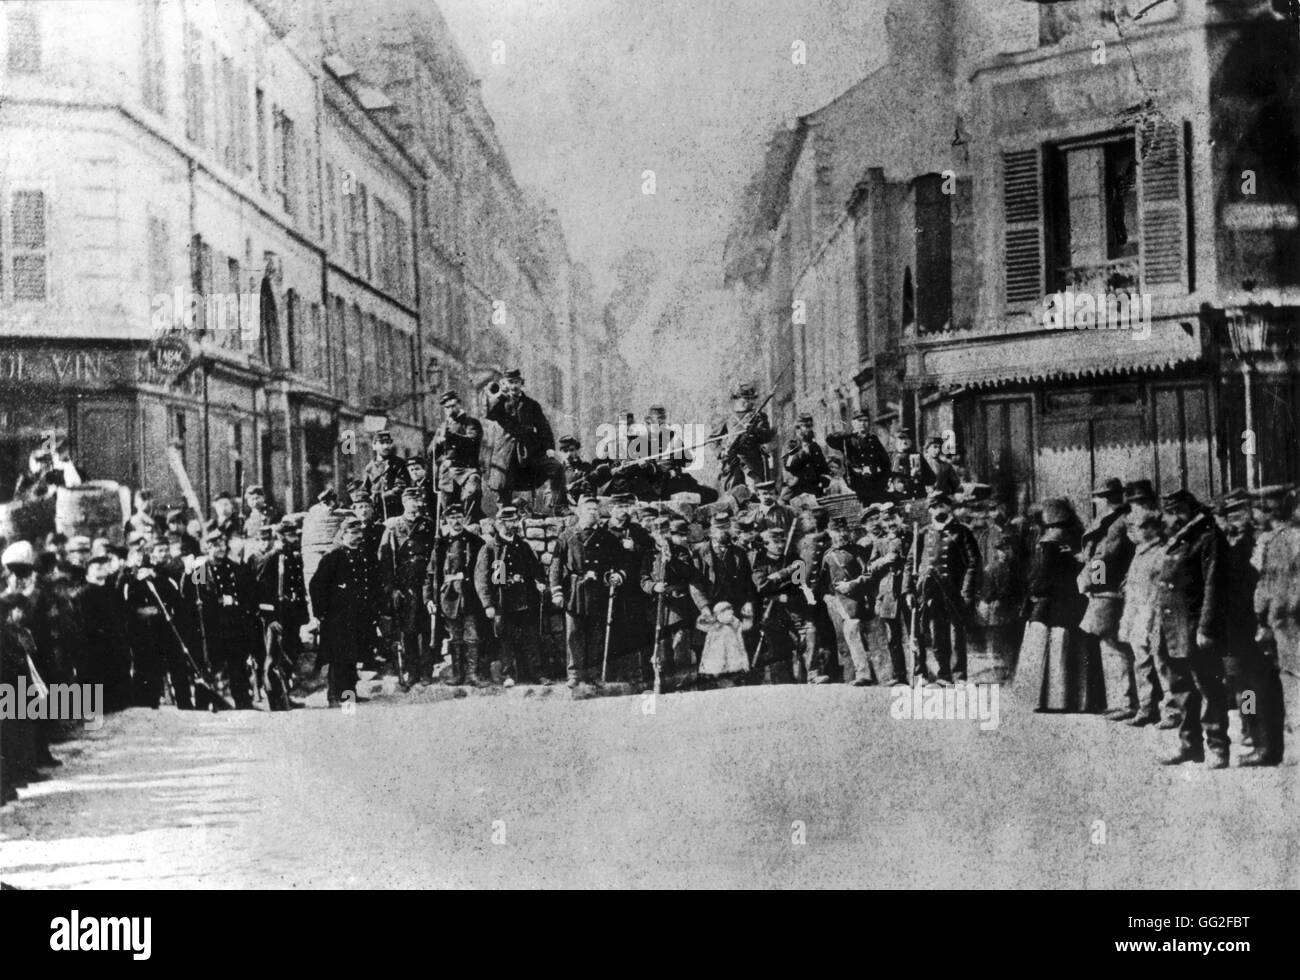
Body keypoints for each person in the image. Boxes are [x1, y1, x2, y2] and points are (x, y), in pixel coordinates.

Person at [1155, 488, 1229, 768]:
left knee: (1209, 687)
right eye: (1168, 513)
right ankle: (1190, 746)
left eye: (1172, 513)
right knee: (1181, 688)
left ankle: (1218, 748)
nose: (1168, 519)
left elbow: (1213, 586)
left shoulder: (1207, 537)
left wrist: (1206, 628)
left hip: (1194, 627)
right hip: (1173, 627)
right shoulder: (1180, 538)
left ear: (1184, 512)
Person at [1217, 489, 1282, 765]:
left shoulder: (1256, 543)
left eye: (1241, 512)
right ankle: (1253, 733)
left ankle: (1265, 744)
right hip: (1237, 626)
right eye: (1230, 514)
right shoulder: (1234, 541)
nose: (1237, 518)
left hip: (1253, 624)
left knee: (1259, 685)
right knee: (1244, 686)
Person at [1015, 498, 1090, 712]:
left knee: (1045, 648)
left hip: (1048, 604)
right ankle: (1069, 700)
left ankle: (1046, 700)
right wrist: (1097, 585)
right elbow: (1098, 566)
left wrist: (1032, 591)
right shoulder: (1081, 539)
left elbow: (1043, 575)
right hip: (1074, 603)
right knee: (1067, 647)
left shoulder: (1048, 543)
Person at [902, 490, 981, 686]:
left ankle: (959, 676)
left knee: (956, 633)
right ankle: (943, 675)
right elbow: (911, 562)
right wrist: (908, 590)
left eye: (941, 505)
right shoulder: (923, 533)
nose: (937, 510)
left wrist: (967, 592)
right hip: (929, 590)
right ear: (929, 510)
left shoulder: (962, 532)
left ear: (949, 507)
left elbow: (973, 563)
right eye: (933, 507)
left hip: (953, 591)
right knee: (937, 634)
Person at [549, 495, 623, 687]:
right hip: (575, 590)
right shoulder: (567, 535)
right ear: (579, 512)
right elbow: (556, 566)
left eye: (596, 510)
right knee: (574, 634)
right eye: (589, 509)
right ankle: (574, 674)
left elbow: (620, 562)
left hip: (598, 590)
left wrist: (616, 575)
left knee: (596, 634)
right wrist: (557, 591)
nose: (593, 512)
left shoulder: (607, 538)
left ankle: (593, 673)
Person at [1077, 478, 1136, 720]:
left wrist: (1089, 580)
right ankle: (1121, 700)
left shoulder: (1117, 524)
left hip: (1108, 590)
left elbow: (1105, 558)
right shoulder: (1111, 520)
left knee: (1114, 645)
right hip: (1103, 589)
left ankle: (1127, 701)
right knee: (1110, 645)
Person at [182, 523, 258, 709]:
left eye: (223, 545)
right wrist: (190, 572)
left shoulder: (232, 567)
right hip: (211, 626)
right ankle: (204, 702)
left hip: (232, 624)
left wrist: (236, 603)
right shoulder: (202, 568)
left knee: (237, 663)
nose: (221, 549)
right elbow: (194, 595)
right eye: (216, 546)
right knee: (209, 664)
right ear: (207, 548)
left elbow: (246, 591)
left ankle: (243, 701)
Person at [310, 516, 379, 707]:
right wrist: (320, 613)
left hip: (358, 616)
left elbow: (372, 585)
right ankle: (333, 696)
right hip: (337, 618)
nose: (357, 537)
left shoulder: (365, 557)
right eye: (353, 533)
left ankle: (349, 696)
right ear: (343, 534)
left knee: (352, 657)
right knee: (337, 658)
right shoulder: (333, 557)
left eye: (360, 533)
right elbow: (316, 585)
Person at [474, 505, 547, 686]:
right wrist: (488, 604)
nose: (513, 524)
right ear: (500, 523)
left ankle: (536, 673)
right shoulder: (490, 548)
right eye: (508, 521)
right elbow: (482, 579)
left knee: (530, 637)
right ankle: (508, 675)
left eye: (515, 521)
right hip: (503, 601)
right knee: (505, 639)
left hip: (525, 600)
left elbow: (536, 568)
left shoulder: (523, 546)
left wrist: (539, 581)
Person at [1251, 483, 1297, 758]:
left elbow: (1274, 587)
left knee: (1292, 683)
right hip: (1278, 622)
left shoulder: (1284, 541)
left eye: (1258, 508)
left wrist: (1268, 618)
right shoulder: (1274, 539)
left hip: (1286, 623)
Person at [484, 369, 567, 513]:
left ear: (521, 383)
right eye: (510, 382)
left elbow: (543, 427)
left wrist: (549, 448)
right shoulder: (500, 403)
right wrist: (499, 395)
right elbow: (489, 414)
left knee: (556, 467)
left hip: (530, 452)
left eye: (516, 382)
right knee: (503, 483)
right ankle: (504, 511)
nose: (514, 386)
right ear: (504, 384)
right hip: (506, 453)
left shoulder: (532, 404)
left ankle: (560, 506)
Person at [379, 487, 436, 687]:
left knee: (427, 628)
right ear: (404, 503)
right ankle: (412, 671)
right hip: (405, 585)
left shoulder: (428, 525)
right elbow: (386, 561)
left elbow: (435, 555)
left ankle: (427, 671)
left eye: (418, 500)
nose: (416, 504)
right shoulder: (394, 527)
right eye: (411, 501)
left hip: (425, 582)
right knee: (408, 630)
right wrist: (392, 588)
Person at [250, 515, 308, 711]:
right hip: (277, 616)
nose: (295, 538)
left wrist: (302, 615)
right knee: (273, 657)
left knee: (289, 655)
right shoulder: (272, 558)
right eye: (291, 535)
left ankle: (285, 695)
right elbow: (260, 590)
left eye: (295, 535)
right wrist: (270, 617)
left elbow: (299, 588)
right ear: (282, 537)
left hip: (292, 615)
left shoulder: (294, 556)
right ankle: (275, 699)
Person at [424, 503, 484, 686]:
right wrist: (428, 599)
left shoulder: (475, 541)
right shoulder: (440, 544)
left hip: (469, 594)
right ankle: (458, 674)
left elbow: (486, 569)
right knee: (455, 637)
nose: (456, 521)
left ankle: (472, 674)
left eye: (459, 517)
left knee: (472, 635)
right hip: (449, 596)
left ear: (464, 518)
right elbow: (431, 575)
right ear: (446, 521)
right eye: (451, 518)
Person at [1118, 511, 1168, 727]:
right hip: (1137, 615)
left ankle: (1171, 710)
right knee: (1142, 663)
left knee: (1161, 663)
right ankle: (1146, 707)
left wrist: (1148, 617)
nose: (1130, 533)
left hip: (1153, 616)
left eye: (1135, 527)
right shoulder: (1139, 553)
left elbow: (1157, 590)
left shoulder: (1160, 553)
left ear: (1152, 528)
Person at [645, 516, 709, 688]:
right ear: (652, 534)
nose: (661, 535)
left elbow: (688, 572)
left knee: (680, 646)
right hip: (658, 606)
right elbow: (643, 578)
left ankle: (683, 683)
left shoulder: (680, 551)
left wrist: (671, 559)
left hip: (678, 606)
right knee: (662, 649)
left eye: (665, 531)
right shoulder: (648, 553)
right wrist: (653, 586)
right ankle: (664, 683)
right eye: (657, 532)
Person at [604, 492, 656, 682]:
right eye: (620, 507)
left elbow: (651, 553)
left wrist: (635, 548)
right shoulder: (603, 530)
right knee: (614, 630)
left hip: (634, 590)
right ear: (611, 509)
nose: (624, 511)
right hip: (610, 589)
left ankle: (641, 675)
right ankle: (615, 676)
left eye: (627, 507)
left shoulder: (637, 531)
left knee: (637, 630)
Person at [821, 516, 875, 685]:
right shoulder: (828, 556)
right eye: (837, 531)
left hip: (862, 599)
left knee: (869, 637)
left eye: (844, 530)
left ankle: (874, 674)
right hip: (842, 604)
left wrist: (852, 585)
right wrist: (828, 596)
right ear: (830, 533)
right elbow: (823, 582)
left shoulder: (858, 550)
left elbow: (869, 573)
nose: (842, 534)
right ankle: (860, 674)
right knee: (849, 637)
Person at [431, 391, 484, 522]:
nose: (450, 410)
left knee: (472, 492)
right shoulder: (442, 427)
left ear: (459, 404)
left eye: (453, 405)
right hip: (448, 471)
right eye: (447, 407)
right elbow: (431, 453)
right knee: (448, 505)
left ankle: (469, 525)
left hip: (467, 469)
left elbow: (473, 441)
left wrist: (452, 437)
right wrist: (438, 441)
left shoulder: (470, 423)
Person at [711, 383, 774, 490]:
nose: (749, 402)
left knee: (755, 491)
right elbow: (712, 439)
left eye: (751, 399)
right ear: (737, 399)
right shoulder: (728, 418)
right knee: (734, 493)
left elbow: (767, 437)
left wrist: (754, 429)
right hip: (732, 462)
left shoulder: (759, 416)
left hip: (752, 461)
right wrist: (721, 452)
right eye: (745, 398)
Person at [826, 410, 891, 503]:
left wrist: (882, 481)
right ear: (853, 422)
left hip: (873, 482)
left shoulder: (873, 439)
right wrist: (847, 434)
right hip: (855, 483)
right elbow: (829, 439)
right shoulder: (847, 440)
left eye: (865, 420)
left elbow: (886, 463)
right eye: (859, 420)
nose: (863, 424)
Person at [360, 431, 412, 523]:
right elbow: (365, 491)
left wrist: (382, 497)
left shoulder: (399, 464)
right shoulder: (369, 467)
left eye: (388, 443)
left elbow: (401, 487)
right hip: (376, 513)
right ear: (374, 446)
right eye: (382, 443)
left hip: (395, 511)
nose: (386, 446)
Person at [696, 601, 752, 680]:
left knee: (733, 664)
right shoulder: (714, 626)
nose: (730, 615)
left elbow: (745, 627)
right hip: (717, 653)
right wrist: (705, 617)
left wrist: (747, 617)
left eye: (731, 613)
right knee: (716, 664)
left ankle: (735, 673)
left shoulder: (734, 623)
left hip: (732, 651)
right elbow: (700, 625)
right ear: (718, 615)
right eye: (727, 613)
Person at [781, 414, 830, 501]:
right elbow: (788, 465)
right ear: (798, 428)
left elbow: (823, 467)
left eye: (811, 426)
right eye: (806, 426)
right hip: (795, 488)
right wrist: (804, 453)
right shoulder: (791, 445)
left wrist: (824, 480)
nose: (810, 429)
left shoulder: (814, 446)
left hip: (813, 488)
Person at [559, 435, 612, 499]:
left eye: (571, 450)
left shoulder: (586, 466)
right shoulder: (559, 470)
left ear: (577, 450)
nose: (568, 454)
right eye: (565, 451)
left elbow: (592, 488)